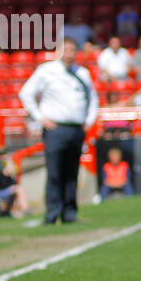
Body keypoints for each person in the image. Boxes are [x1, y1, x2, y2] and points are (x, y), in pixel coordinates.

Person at [19, 37, 99, 224]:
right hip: (55, 130)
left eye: (72, 50)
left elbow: (93, 99)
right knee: (55, 172)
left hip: (76, 129)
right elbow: (26, 93)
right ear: (58, 51)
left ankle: (70, 213)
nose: (69, 54)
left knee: (72, 172)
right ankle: (52, 213)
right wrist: (40, 117)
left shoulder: (82, 73)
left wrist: (89, 120)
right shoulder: (46, 71)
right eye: (66, 49)